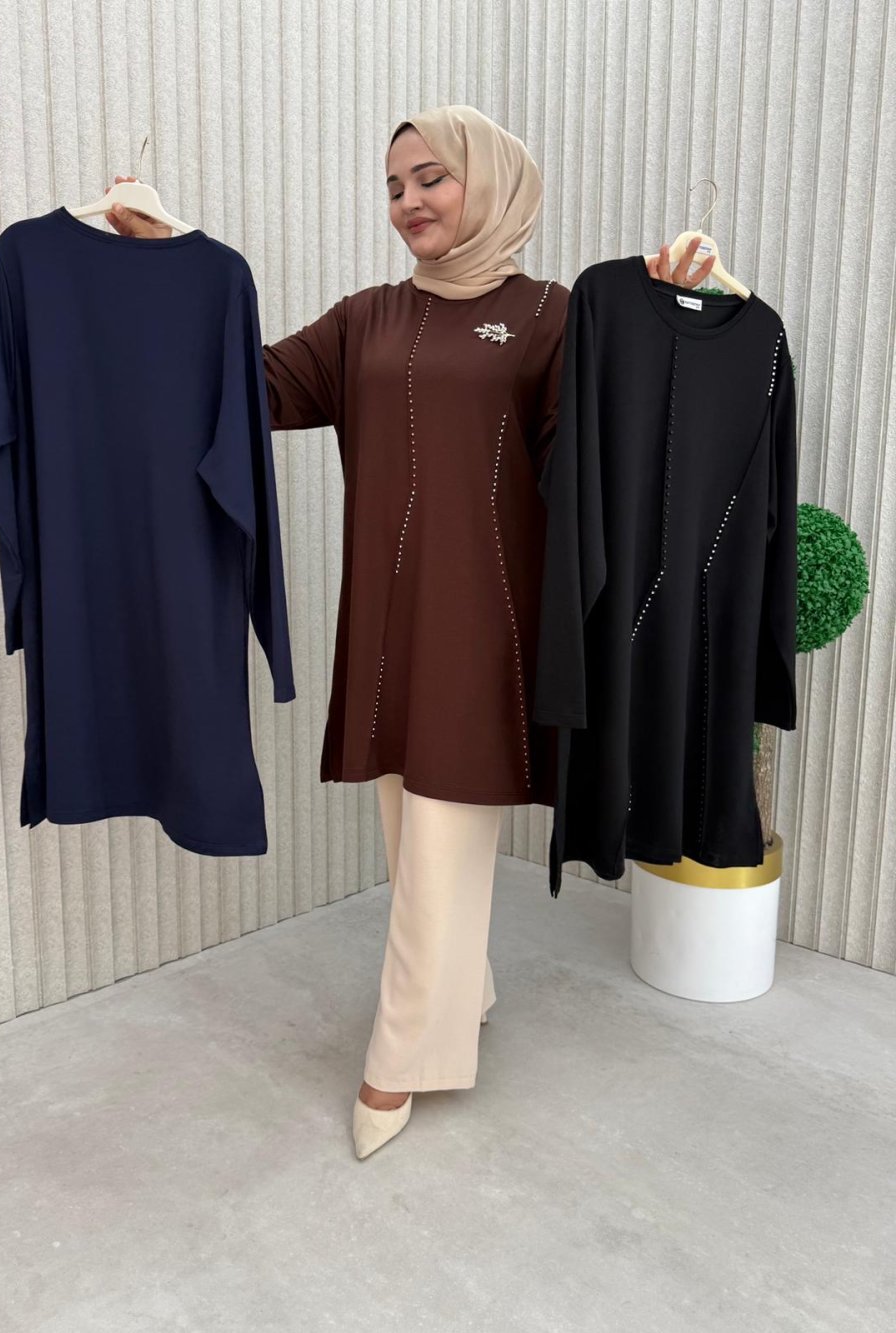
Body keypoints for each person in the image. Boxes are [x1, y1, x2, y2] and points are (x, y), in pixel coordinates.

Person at [103, 106, 710, 1159]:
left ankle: (404, 1054)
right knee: (411, 831)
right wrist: (160, 276)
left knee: (436, 833)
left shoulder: (552, 316)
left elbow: (600, 456)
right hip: (385, 625)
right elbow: (245, 385)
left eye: (431, 176)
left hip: (486, 628)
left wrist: (657, 323)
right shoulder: (365, 319)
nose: (407, 202)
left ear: (493, 181)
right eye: (392, 186)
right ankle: (463, 988)